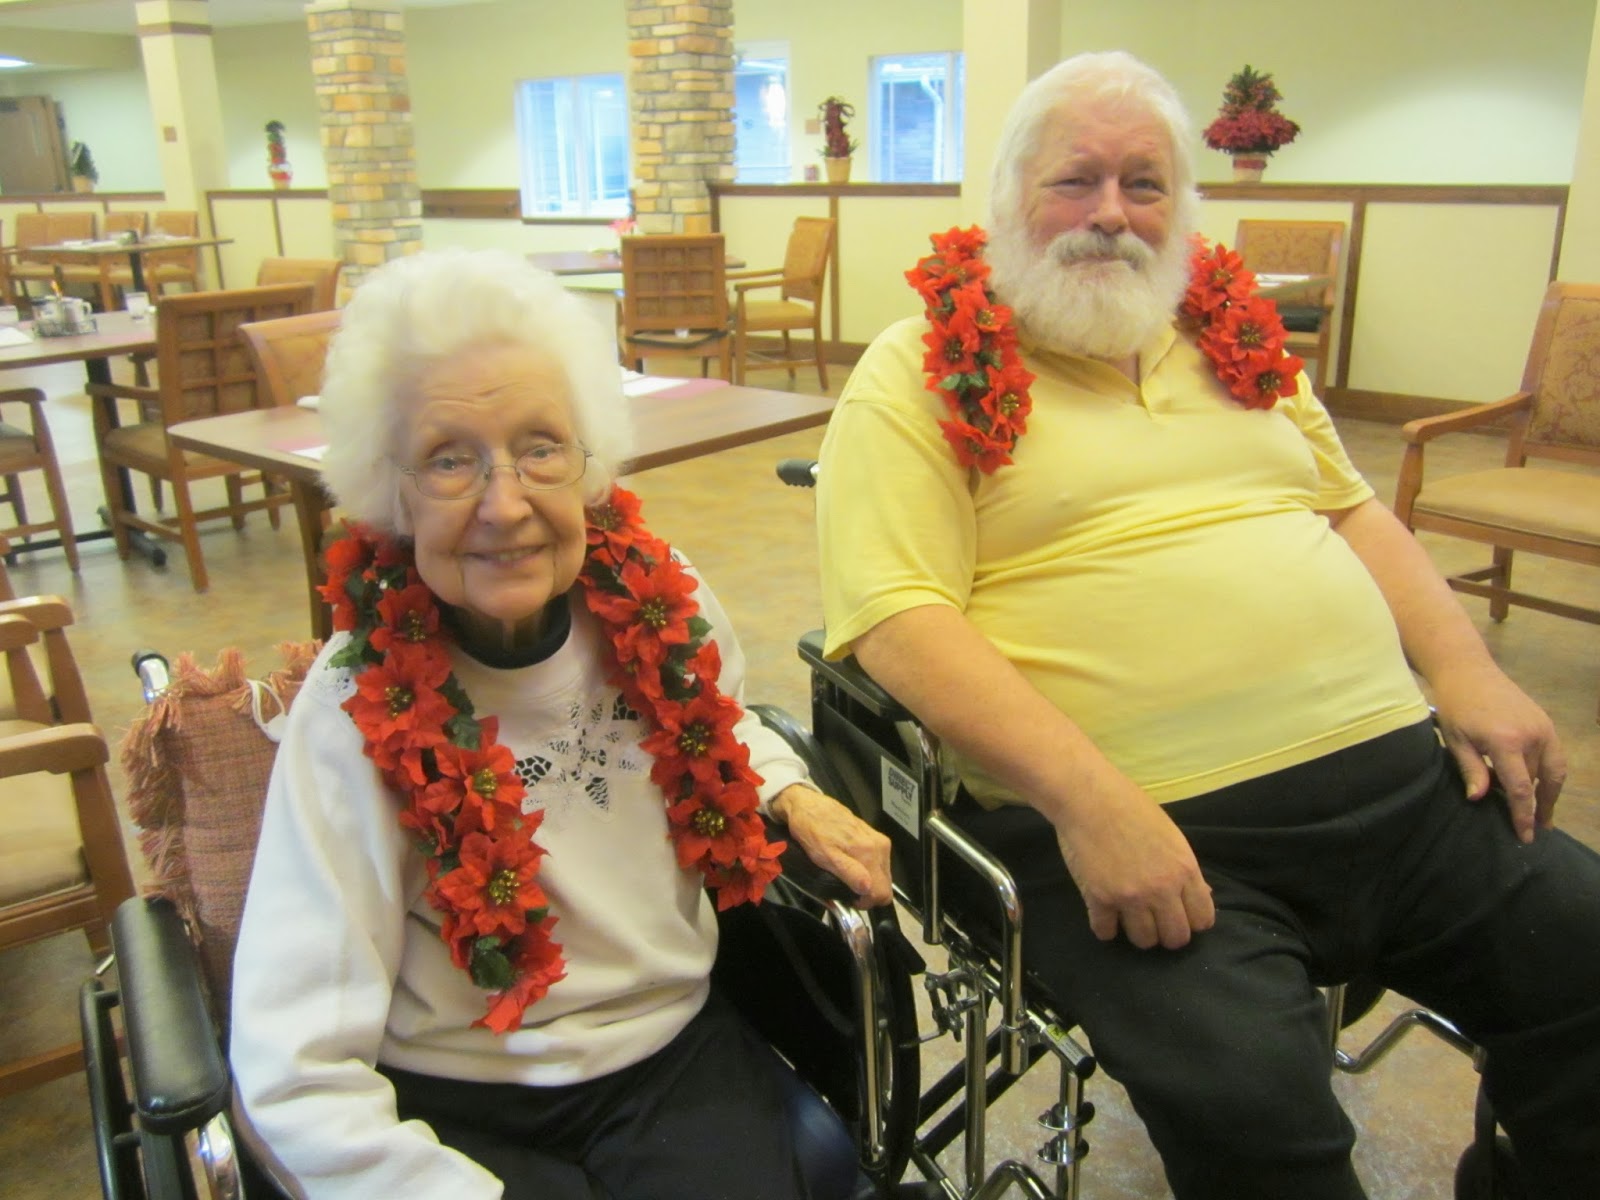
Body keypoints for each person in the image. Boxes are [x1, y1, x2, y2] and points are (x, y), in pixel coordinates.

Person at [816, 50, 1600, 1200]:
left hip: (1401, 797)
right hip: (1148, 834)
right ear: (1003, 201)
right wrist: (1093, 804)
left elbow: (1351, 512)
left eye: (1146, 184)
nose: (1111, 215)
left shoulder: (1237, 345)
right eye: (1074, 181)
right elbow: (897, 617)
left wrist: (1466, 673)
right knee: (1255, 1105)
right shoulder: (915, 370)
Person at [231, 248, 891, 1200]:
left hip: (674, 1058)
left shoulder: (663, 602)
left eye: (541, 446)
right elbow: (294, 1068)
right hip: (458, 1101)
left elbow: (719, 726)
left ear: (588, 460)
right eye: (450, 460)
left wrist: (792, 791)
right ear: (392, 493)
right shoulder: (351, 709)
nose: (507, 505)